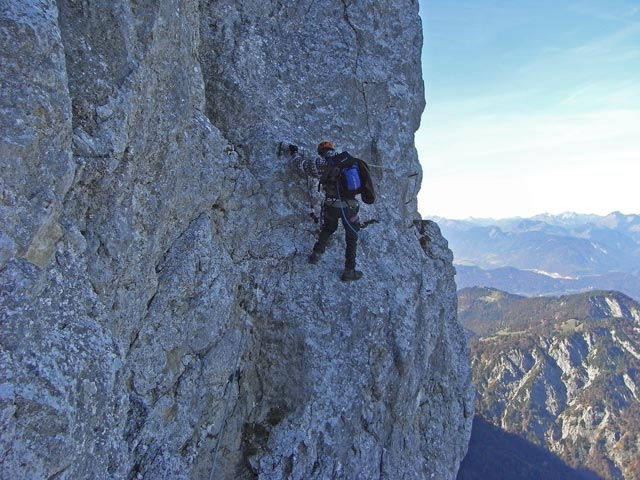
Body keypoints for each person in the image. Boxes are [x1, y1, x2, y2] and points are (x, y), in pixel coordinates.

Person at [290, 141, 363, 281]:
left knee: (328, 229)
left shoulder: (319, 163)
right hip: (350, 206)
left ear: (320, 152)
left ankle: (315, 255)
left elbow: (301, 165)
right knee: (352, 237)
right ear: (333, 149)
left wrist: (294, 153)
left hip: (332, 205)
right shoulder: (349, 160)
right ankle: (349, 270)